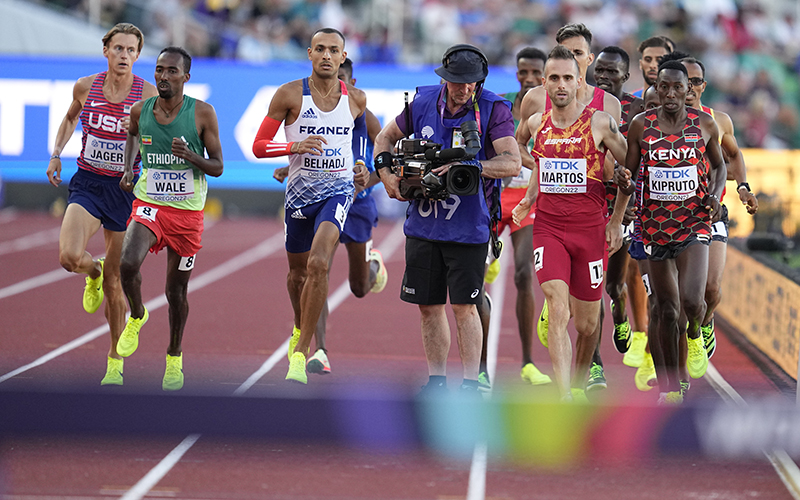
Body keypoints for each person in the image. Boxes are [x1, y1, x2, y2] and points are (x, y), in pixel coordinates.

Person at [374, 44, 521, 394]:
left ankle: (471, 383)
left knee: (465, 306)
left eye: (473, 83)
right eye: (459, 82)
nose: (466, 89)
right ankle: (436, 380)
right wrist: (387, 176)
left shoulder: (493, 109)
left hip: (470, 227)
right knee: (428, 306)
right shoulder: (422, 103)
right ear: (445, 79)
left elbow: (513, 163)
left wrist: (469, 167)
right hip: (424, 224)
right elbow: (384, 138)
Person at [512, 46, 630, 402]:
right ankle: (566, 396)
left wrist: (616, 221)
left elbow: (631, 173)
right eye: (554, 78)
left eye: (568, 78)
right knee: (557, 308)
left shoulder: (600, 124)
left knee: (587, 324)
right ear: (544, 83)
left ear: (580, 81)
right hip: (548, 228)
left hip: (591, 231)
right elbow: (529, 153)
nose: (561, 85)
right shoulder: (536, 123)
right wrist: (530, 197)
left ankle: (578, 384)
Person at [251, 28, 368, 384]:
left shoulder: (356, 98)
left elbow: (363, 137)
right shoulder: (289, 94)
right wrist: (294, 148)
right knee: (297, 275)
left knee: (320, 264)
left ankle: (302, 352)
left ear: (344, 56)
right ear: (310, 53)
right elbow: (258, 146)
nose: (327, 56)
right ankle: (300, 328)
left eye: (334, 50)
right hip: (299, 196)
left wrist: (363, 165)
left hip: (338, 192)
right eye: (321, 49)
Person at [45, 23, 158, 386]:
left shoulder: (148, 95)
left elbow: (160, 140)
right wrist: (56, 154)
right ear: (106, 51)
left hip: (125, 191)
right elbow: (69, 117)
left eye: (131, 51)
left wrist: (143, 136)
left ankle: (113, 360)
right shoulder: (86, 86)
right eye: (119, 49)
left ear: (138, 56)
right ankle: (88, 271)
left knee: (114, 285)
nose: (124, 56)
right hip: (89, 184)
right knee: (67, 258)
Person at [117, 46, 224, 391]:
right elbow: (133, 133)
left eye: (172, 72)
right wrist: (128, 169)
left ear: (186, 77)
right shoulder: (140, 110)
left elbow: (219, 167)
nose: (163, 77)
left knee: (175, 291)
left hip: (188, 214)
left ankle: (174, 355)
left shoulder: (202, 114)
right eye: (159, 70)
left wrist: (191, 155)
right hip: (150, 203)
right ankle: (136, 314)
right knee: (128, 264)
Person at [272, 57, 387, 375]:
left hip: (359, 207)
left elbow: (387, 157)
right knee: (316, 269)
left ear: (352, 81)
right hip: (326, 201)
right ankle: (317, 349)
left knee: (359, 287)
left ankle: (372, 263)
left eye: (346, 80)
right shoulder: (316, 115)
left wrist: (371, 177)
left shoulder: (364, 114)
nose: (341, 87)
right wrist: (288, 166)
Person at [620, 60, 726, 404]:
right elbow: (630, 172)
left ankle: (695, 331)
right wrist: (626, 194)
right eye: (663, 87)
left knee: (692, 302)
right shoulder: (640, 126)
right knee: (666, 310)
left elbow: (720, 165)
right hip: (653, 227)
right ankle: (670, 386)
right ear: (656, 88)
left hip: (693, 223)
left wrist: (713, 194)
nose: (669, 93)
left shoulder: (704, 124)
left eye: (677, 87)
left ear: (689, 90)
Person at [677, 55, 758, 360]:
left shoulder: (719, 120)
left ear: (703, 85)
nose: (689, 87)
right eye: (685, 80)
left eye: (696, 81)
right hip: (670, 217)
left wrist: (742, 187)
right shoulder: (660, 120)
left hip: (711, 215)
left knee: (710, 289)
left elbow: (734, 156)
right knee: (679, 295)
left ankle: (705, 322)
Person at [588, 46, 648, 393]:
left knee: (613, 285)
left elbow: (639, 164)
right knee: (592, 288)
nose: (605, 77)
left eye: (612, 72)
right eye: (600, 71)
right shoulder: (586, 106)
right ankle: (595, 366)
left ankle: (621, 314)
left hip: (626, 210)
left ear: (626, 77)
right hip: (593, 208)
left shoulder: (638, 112)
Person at [490, 46, 551, 387]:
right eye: (522, 72)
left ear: (544, 76)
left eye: (534, 73)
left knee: (525, 274)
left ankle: (527, 362)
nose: (528, 78)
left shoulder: (551, 107)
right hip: (496, 198)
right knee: (477, 276)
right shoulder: (501, 104)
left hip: (528, 200)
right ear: (517, 74)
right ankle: (482, 366)